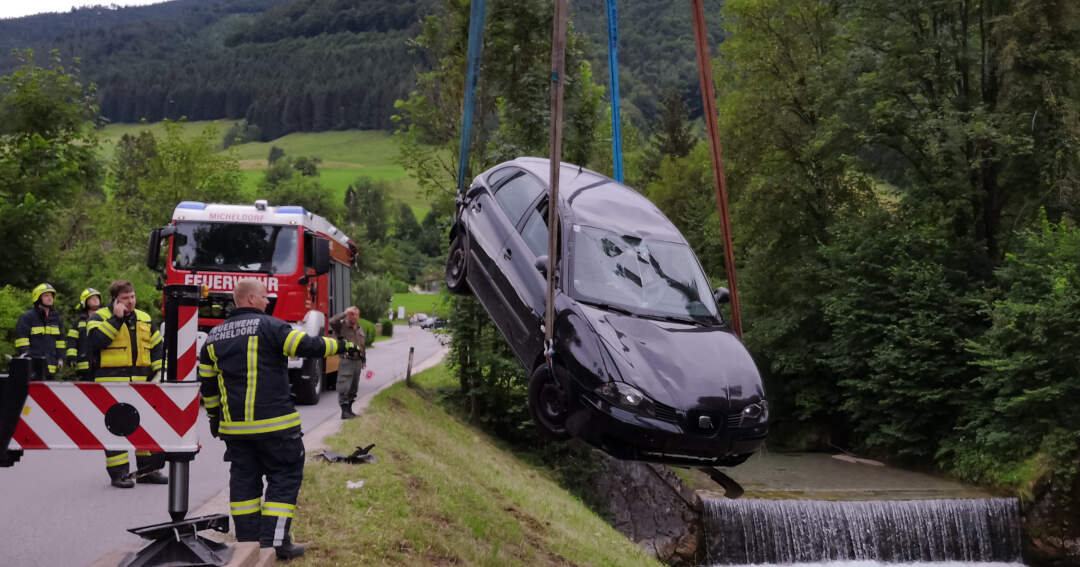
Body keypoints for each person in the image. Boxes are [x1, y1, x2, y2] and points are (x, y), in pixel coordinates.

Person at [198, 279, 361, 560]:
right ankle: (274, 545)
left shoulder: (213, 338)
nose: (267, 302)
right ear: (250, 299)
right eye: (263, 297)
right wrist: (342, 346)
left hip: (235, 431)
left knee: (244, 485)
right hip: (276, 428)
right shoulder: (271, 327)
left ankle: (248, 547)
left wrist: (215, 419)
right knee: (283, 478)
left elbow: (209, 387)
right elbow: (307, 345)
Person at [87, 280, 167, 488]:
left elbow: (157, 346)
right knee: (116, 429)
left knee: (145, 426)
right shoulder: (99, 318)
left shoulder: (145, 318)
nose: (130, 301)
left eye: (132, 297)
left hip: (142, 383)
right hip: (111, 384)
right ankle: (119, 474)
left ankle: (147, 471)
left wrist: (159, 373)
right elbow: (96, 343)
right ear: (115, 300)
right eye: (125, 298)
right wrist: (117, 319)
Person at [14, 283, 65, 378]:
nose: (50, 298)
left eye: (51, 296)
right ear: (37, 298)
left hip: (51, 366)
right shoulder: (27, 317)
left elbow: (60, 341)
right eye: (46, 296)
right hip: (33, 367)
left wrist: (61, 358)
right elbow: (22, 341)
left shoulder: (56, 318)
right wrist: (27, 358)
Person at [329, 306, 366, 419]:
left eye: (355, 314)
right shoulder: (342, 327)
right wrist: (344, 313)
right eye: (351, 314)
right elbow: (332, 321)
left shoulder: (360, 328)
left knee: (353, 388)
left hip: (357, 361)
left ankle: (349, 410)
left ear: (358, 316)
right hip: (347, 360)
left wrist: (363, 360)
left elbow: (362, 345)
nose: (353, 317)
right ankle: (344, 412)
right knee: (344, 386)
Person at [69, 287, 102, 380]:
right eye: (92, 298)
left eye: (97, 297)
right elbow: (72, 340)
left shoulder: (106, 318)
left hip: (102, 364)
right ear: (85, 302)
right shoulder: (79, 322)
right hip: (84, 365)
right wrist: (72, 357)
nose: (96, 300)